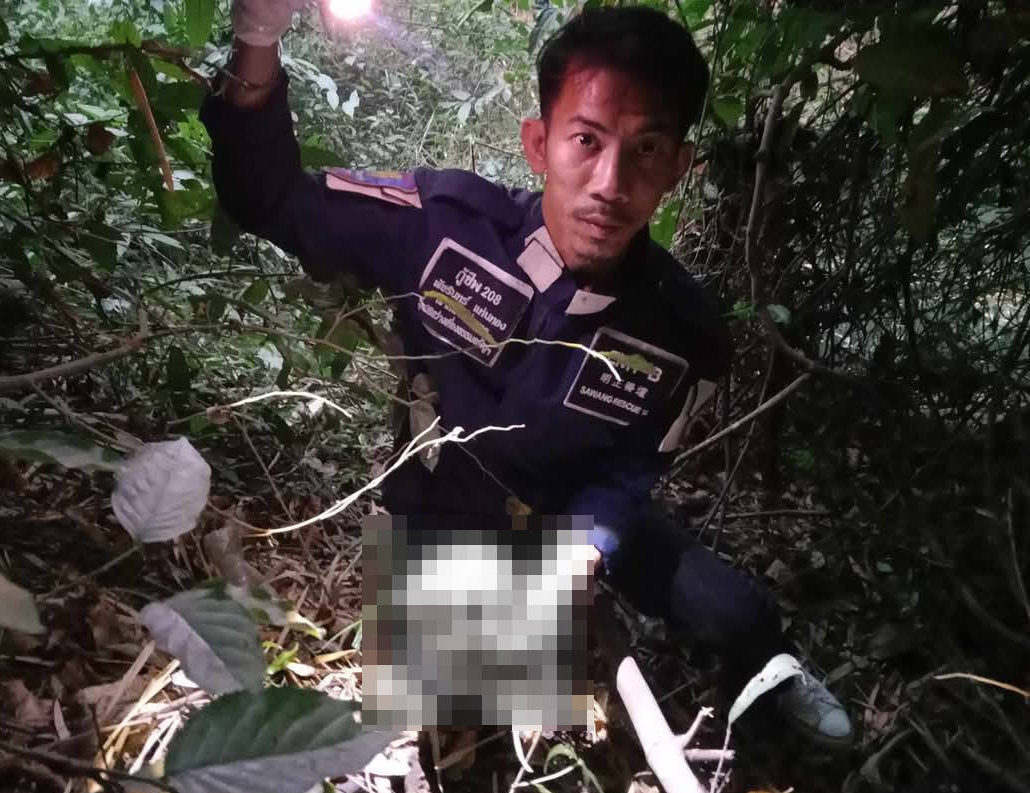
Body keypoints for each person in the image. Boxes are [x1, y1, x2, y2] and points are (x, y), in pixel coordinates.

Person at [201, 2, 853, 748]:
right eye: (587, 140)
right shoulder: (442, 227)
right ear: (539, 144)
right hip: (451, 509)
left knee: (732, 611)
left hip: (576, 510)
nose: (610, 183)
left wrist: (586, 546)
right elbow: (268, 198)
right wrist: (258, 36)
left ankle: (774, 675)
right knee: (465, 736)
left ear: (679, 167)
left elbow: (634, 467)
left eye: (645, 149)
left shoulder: (683, 332)